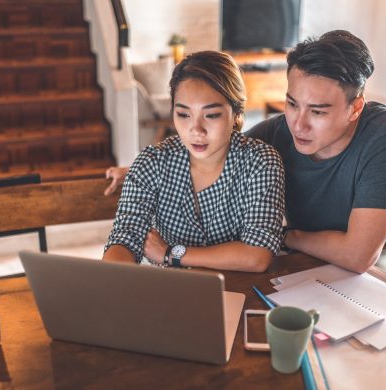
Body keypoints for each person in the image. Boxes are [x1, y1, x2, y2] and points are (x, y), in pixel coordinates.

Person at [104, 31, 386, 274]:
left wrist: (284, 236)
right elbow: (215, 150)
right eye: (292, 104)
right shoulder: (277, 133)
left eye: (318, 112)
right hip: (298, 271)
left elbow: (358, 256)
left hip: (375, 278)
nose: (299, 124)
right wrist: (139, 171)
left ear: (355, 108)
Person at [103, 51, 285, 272]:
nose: (195, 130)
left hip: (241, 289)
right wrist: (110, 281)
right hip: (173, 291)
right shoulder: (152, 162)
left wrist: (171, 253)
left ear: (236, 113)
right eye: (183, 114)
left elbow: (258, 255)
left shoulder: (261, 163)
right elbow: (125, 238)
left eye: (211, 115)